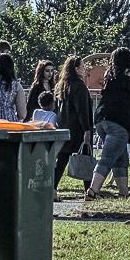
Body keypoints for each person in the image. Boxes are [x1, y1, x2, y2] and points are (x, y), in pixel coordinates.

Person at [85, 48, 130, 200]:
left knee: (121, 158)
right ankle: (93, 190)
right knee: (108, 157)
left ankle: (124, 193)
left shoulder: (109, 74)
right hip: (119, 121)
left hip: (102, 120)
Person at [53, 55, 94, 185]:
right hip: (78, 128)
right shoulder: (79, 87)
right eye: (82, 66)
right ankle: (88, 189)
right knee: (85, 156)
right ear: (76, 69)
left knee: (62, 159)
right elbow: (82, 110)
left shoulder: (63, 85)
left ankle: (53, 187)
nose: (84, 69)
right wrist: (87, 129)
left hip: (65, 126)